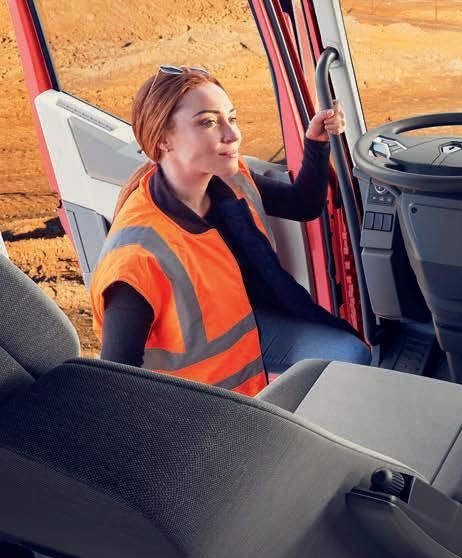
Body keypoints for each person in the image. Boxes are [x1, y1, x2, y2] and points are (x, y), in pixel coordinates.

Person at [90, 65, 370, 396]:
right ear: (163, 138)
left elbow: (303, 205)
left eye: (231, 118)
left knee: (351, 355)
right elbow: (114, 384)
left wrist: (316, 142)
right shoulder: (138, 256)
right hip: (194, 398)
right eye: (208, 122)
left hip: (245, 327)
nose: (232, 135)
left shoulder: (229, 177)